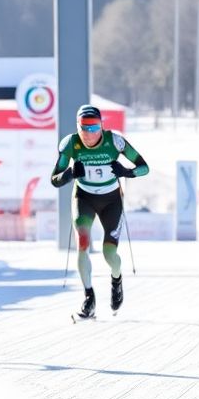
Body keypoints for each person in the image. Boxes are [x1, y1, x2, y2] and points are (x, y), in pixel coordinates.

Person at [50, 104, 149, 318]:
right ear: (78, 127)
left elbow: (144, 167)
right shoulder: (71, 144)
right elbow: (54, 179)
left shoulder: (115, 141)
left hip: (111, 200)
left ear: (102, 126)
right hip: (84, 198)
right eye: (84, 128)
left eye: (94, 128)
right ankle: (89, 297)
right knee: (83, 243)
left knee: (109, 254)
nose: (88, 134)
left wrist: (127, 172)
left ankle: (116, 279)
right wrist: (68, 174)